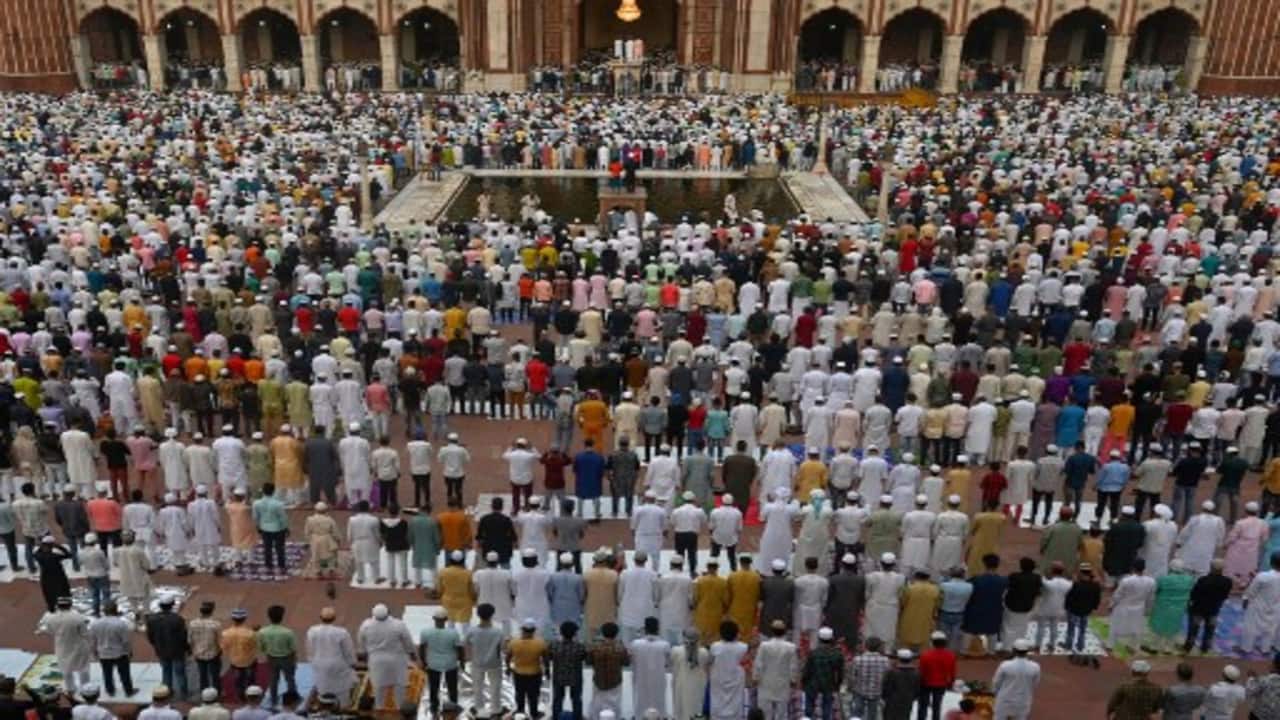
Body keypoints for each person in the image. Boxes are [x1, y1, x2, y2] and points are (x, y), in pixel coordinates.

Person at [358, 604, 416, 707]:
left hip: (377, 662)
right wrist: (412, 653)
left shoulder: (366, 625)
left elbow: (361, 642)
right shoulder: (398, 624)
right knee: (400, 693)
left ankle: (379, 713)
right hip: (397, 661)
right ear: (389, 612)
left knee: (379, 695)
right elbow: (407, 641)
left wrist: (364, 654)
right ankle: (400, 714)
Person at [306, 607, 357, 705]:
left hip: (319, 664)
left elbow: (310, 650)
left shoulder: (312, 631)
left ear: (320, 617)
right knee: (342, 692)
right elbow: (348, 652)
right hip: (338, 665)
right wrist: (352, 663)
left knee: (323, 688)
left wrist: (313, 662)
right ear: (334, 618)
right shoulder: (342, 632)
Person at [418, 609, 463, 717]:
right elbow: (459, 649)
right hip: (450, 663)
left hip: (433, 663)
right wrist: (462, 661)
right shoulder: (453, 633)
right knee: (452, 687)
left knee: (434, 687)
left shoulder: (425, 632)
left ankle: (434, 706)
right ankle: (453, 704)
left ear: (434, 619)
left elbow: (422, 648)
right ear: (446, 619)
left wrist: (423, 662)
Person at [465, 604, 506, 719]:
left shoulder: (472, 631)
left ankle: (479, 709)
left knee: (477, 687)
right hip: (494, 663)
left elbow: (466, 642)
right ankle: (496, 709)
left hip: (477, 662)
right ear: (492, 615)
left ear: (478, 615)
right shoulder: (498, 632)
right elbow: (503, 648)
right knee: (496, 687)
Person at [88, 601, 136, 697]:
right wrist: (129, 651)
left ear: (104, 611)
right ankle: (128, 690)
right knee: (124, 673)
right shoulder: (120, 624)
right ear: (116, 610)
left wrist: (94, 652)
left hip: (103, 653)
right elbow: (125, 641)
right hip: (119, 652)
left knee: (107, 673)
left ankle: (110, 690)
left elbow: (93, 641)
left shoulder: (95, 624)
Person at [145, 598, 189, 699]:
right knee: (180, 673)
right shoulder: (177, 619)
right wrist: (187, 648)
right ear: (172, 605)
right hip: (177, 651)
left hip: (161, 650)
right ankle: (183, 694)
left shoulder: (152, 619)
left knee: (166, 671)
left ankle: (167, 691)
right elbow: (183, 636)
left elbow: (150, 636)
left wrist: (156, 645)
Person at [46, 596, 92, 692]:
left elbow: (50, 632)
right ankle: (86, 688)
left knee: (65, 669)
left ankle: (70, 688)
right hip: (78, 646)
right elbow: (85, 633)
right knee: (83, 668)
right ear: (70, 605)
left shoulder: (50, 618)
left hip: (62, 646)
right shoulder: (78, 617)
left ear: (58, 606)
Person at [506, 617, 548, 718]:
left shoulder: (514, 642)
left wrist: (508, 668)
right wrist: (547, 671)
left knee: (520, 693)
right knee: (533, 695)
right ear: (534, 630)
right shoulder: (541, 643)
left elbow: (508, 658)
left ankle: (520, 712)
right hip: (535, 673)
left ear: (522, 629)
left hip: (519, 673)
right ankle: (534, 713)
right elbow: (546, 659)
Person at [586, 622, 629, 719]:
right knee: (615, 704)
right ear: (616, 633)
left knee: (596, 705)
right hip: (615, 681)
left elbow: (588, 661)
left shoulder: (595, 647)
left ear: (602, 633)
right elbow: (626, 663)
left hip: (598, 680)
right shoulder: (620, 648)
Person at [547, 621, 589, 720]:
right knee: (576, 699)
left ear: (561, 632)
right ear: (575, 633)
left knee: (557, 699)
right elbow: (584, 658)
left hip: (558, 677)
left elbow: (549, 657)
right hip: (575, 677)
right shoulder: (580, 646)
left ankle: (556, 717)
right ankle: (578, 717)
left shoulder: (554, 646)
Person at [708, 621, 749, 720]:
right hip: (735, 679)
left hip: (719, 678)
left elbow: (710, 662)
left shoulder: (715, 646)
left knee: (717, 703)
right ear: (736, 632)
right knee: (736, 703)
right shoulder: (743, 647)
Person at [991, 639, 1040, 720]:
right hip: (1024, 700)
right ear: (1027, 651)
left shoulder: (1005, 665)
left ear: (1014, 650)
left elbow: (996, 682)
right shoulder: (1035, 666)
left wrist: (995, 692)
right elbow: (1035, 684)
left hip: (1005, 699)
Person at [219, 609, 256, 701]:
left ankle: (240, 696)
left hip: (234, 660)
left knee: (238, 679)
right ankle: (251, 695)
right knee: (250, 678)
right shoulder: (250, 633)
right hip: (249, 660)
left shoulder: (225, 633)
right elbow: (255, 646)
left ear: (233, 619)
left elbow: (223, 647)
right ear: (244, 618)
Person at [186, 601, 222, 693]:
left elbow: (189, 640)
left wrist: (192, 650)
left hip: (198, 653)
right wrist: (220, 650)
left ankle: (204, 692)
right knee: (215, 675)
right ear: (211, 611)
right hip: (213, 653)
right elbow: (220, 640)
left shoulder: (193, 623)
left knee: (202, 674)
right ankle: (216, 692)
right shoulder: (216, 624)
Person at [882, 649, 921, 720]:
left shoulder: (891, 672)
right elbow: (917, 689)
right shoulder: (916, 673)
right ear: (910, 659)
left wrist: (885, 697)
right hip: (908, 700)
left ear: (898, 659)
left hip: (892, 701)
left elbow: (886, 687)